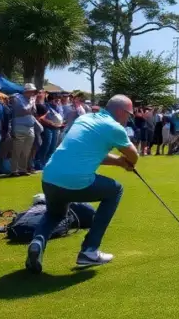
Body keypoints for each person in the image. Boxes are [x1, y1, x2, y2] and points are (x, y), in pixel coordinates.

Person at [25, 94, 139, 274]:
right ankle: (90, 250)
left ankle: (38, 242)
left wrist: (118, 162)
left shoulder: (85, 118)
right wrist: (127, 162)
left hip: (50, 176)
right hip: (75, 181)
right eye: (129, 114)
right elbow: (134, 155)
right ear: (120, 111)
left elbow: (87, 152)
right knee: (115, 190)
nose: (129, 118)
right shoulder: (114, 127)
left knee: (55, 215)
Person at [11, 83, 39, 175]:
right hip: (19, 127)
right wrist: (32, 102)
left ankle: (23, 169)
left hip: (30, 127)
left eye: (33, 92)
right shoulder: (18, 98)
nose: (32, 94)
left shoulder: (31, 100)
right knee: (17, 150)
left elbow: (33, 112)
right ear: (26, 91)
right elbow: (24, 110)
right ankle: (14, 170)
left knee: (26, 151)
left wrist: (33, 103)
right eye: (31, 91)